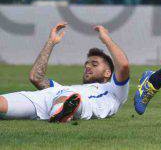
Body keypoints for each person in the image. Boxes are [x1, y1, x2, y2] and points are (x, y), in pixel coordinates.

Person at [0, 23, 130, 122]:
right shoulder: (64, 88)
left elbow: (123, 65)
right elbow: (36, 77)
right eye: (87, 64)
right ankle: (60, 112)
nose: (88, 66)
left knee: (70, 96)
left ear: (108, 73)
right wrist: (51, 43)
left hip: (76, 101)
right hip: (49, 98)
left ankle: (61, 112)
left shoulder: (115, 90)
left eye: (94, 64)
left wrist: (106, 38)